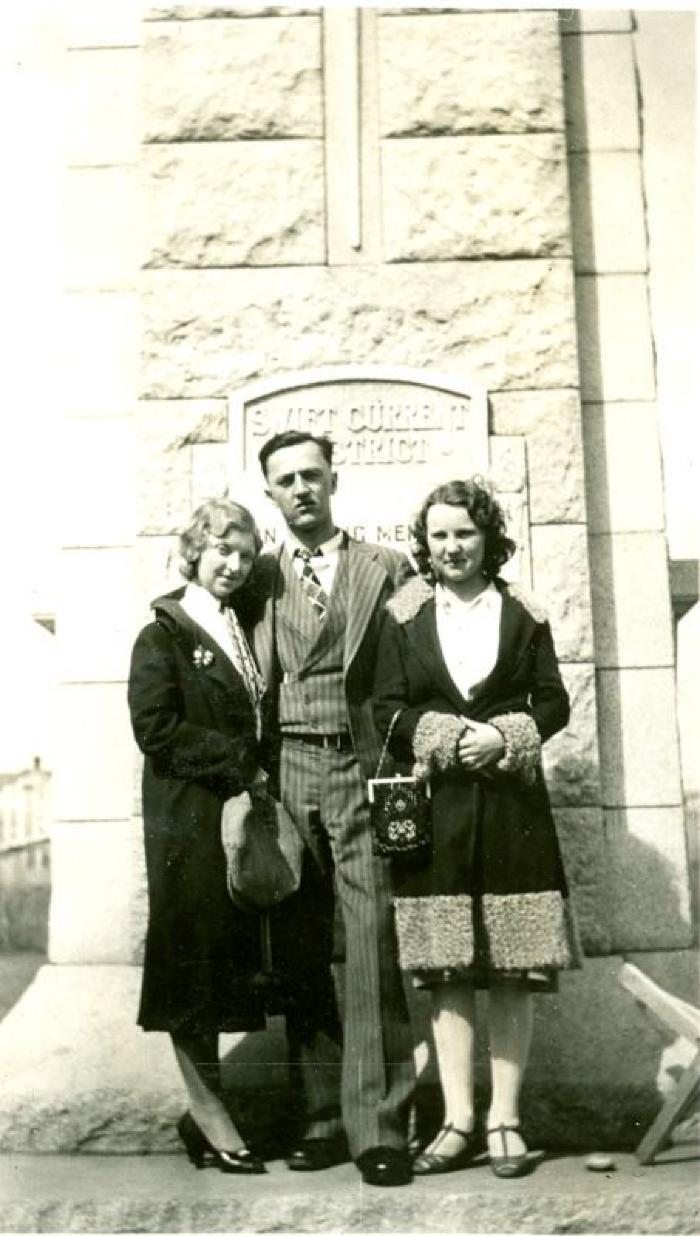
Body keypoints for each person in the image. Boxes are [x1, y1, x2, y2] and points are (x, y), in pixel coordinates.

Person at [372, 477, 581, 1179]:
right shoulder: (402, 615)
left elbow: (554, 699)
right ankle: (458, 1121)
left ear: (488, 537)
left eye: (464, 532)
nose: (452, 546)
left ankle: (506, 1121)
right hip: (437, 812)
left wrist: (504, 736)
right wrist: (433, 732)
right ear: (424, 545)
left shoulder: (524, 611)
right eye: (439, 536)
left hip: (512, 811)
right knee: (446, 973)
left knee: (515, 972)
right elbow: (384, 706)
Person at [127, 498, 340, 1175]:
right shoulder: (163, 632)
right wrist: (239, 763)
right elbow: (156, 730)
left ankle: (267, 1113)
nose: (235, 564)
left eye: (246, 555)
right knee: (193, 965)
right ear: (194, 551)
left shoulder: (242, 625)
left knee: (243, 960)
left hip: (240, 813)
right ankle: (210, 1115)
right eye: (222, 550)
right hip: (188, 816)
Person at [250, 430, 417, 1187]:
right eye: (285, 481)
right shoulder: (256, 576)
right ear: (272, 494)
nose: (301, 490)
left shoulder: (385, 567)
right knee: (300, 943)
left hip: (362, 765)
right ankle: (320, 1119)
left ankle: (378, 1125)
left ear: (334, 480)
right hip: (287, 764)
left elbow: (432, 643)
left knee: (372, 939)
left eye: (312, 475)